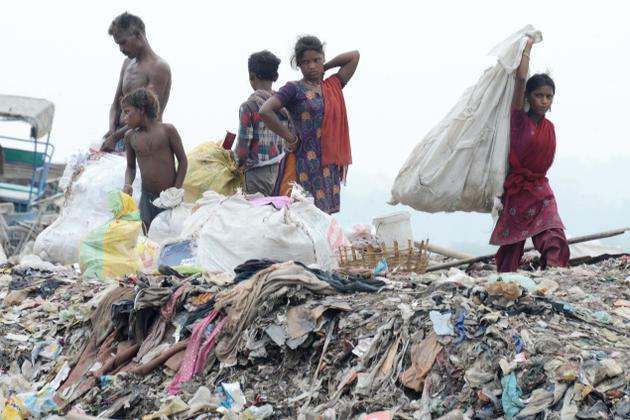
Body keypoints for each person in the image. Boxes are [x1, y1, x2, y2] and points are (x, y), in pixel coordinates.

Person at [490, 36, 569, 272]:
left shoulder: (550, 128)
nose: (544, 101)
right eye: (538, 95)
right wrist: (527, 48)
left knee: (553, 233)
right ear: (528, 97)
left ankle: (554, 271)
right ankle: (505, 277)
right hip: (518, 192)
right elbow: (521, 78)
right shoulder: (518, 121)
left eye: (548, 96)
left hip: (540, 189)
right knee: (512, 243)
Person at [260, 35, 359, 214]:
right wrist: (290, 137)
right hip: (303, 163)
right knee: (301, 213)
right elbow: (265, 111)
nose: (311, 66)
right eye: (306, 62)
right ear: (298, 64)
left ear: (323, 59)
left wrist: (325, 68)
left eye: (316, 60)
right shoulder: (294, 89)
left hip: (327, 164)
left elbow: (354, 56)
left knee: (323, 216)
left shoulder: (332, 85)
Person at [102, 12, 172, 153]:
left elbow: (147, 114)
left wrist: (115, 137)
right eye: (118, 44)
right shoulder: (127, 64)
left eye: (123, 42)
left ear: (139, 35)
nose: (121, 49)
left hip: (144, 141)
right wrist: (111, 131)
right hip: (119, 138)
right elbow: (116, 103)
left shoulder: (158, 68)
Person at [121, 88, 187, 230]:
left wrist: (176, 189)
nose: (123, 118)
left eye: (127, 112)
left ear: (141, 110)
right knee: (147, 236)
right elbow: (131, 167)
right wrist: (127, 184)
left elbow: (183, 161)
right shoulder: (130, 137)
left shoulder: (167, 130)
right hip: (147, 199)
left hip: (170, 198)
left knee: (171, 235)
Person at [234, 50, 291, 196]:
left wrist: (231, 161)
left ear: (251, 76)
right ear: (276, 77)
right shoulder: (282, 106)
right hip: (279, 174)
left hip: (255, 175)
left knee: (254, 216)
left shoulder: (249, 107)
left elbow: (242, 151)